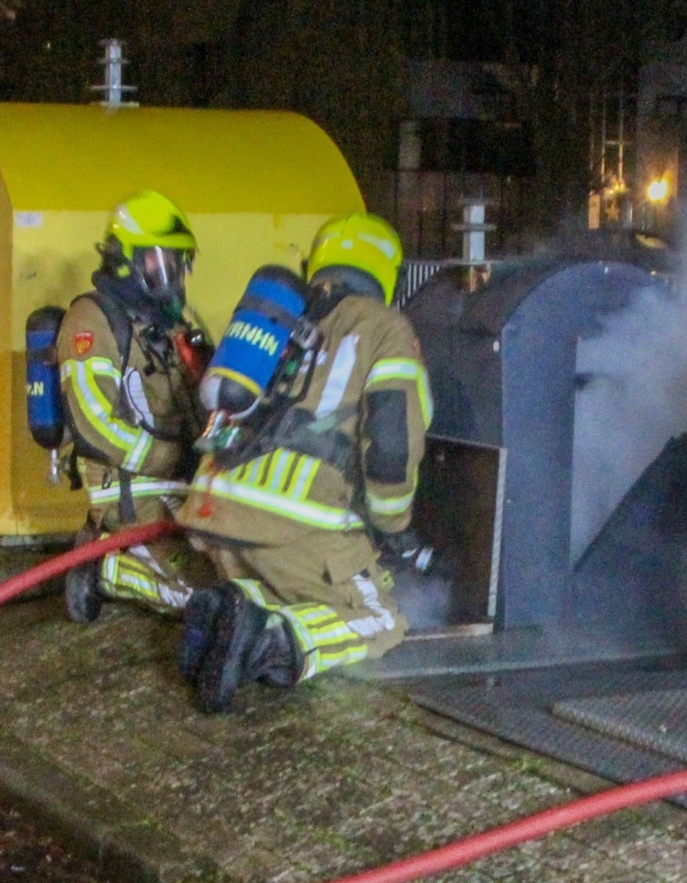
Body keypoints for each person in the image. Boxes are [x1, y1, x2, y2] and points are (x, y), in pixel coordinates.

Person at [179, 212, 431, 711]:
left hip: (216, 516)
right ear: (389, 276)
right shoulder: (385, 328)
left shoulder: (283, 317)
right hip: (296, 525)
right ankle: (270, 641)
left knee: (280, 587)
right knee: (381, 619)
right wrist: (393, 527)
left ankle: (226, 617)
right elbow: (391, 447)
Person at [57, 190, 215, 620]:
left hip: (187, 481)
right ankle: (102, 567)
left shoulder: (173, 323)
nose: (173, 275)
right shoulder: (90, 322)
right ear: (125, 259)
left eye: (178, 263)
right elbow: (92, 421)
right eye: (160, 261)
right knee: (196, 595)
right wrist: (167, 458)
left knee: (242, 573)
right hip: (129, 487)